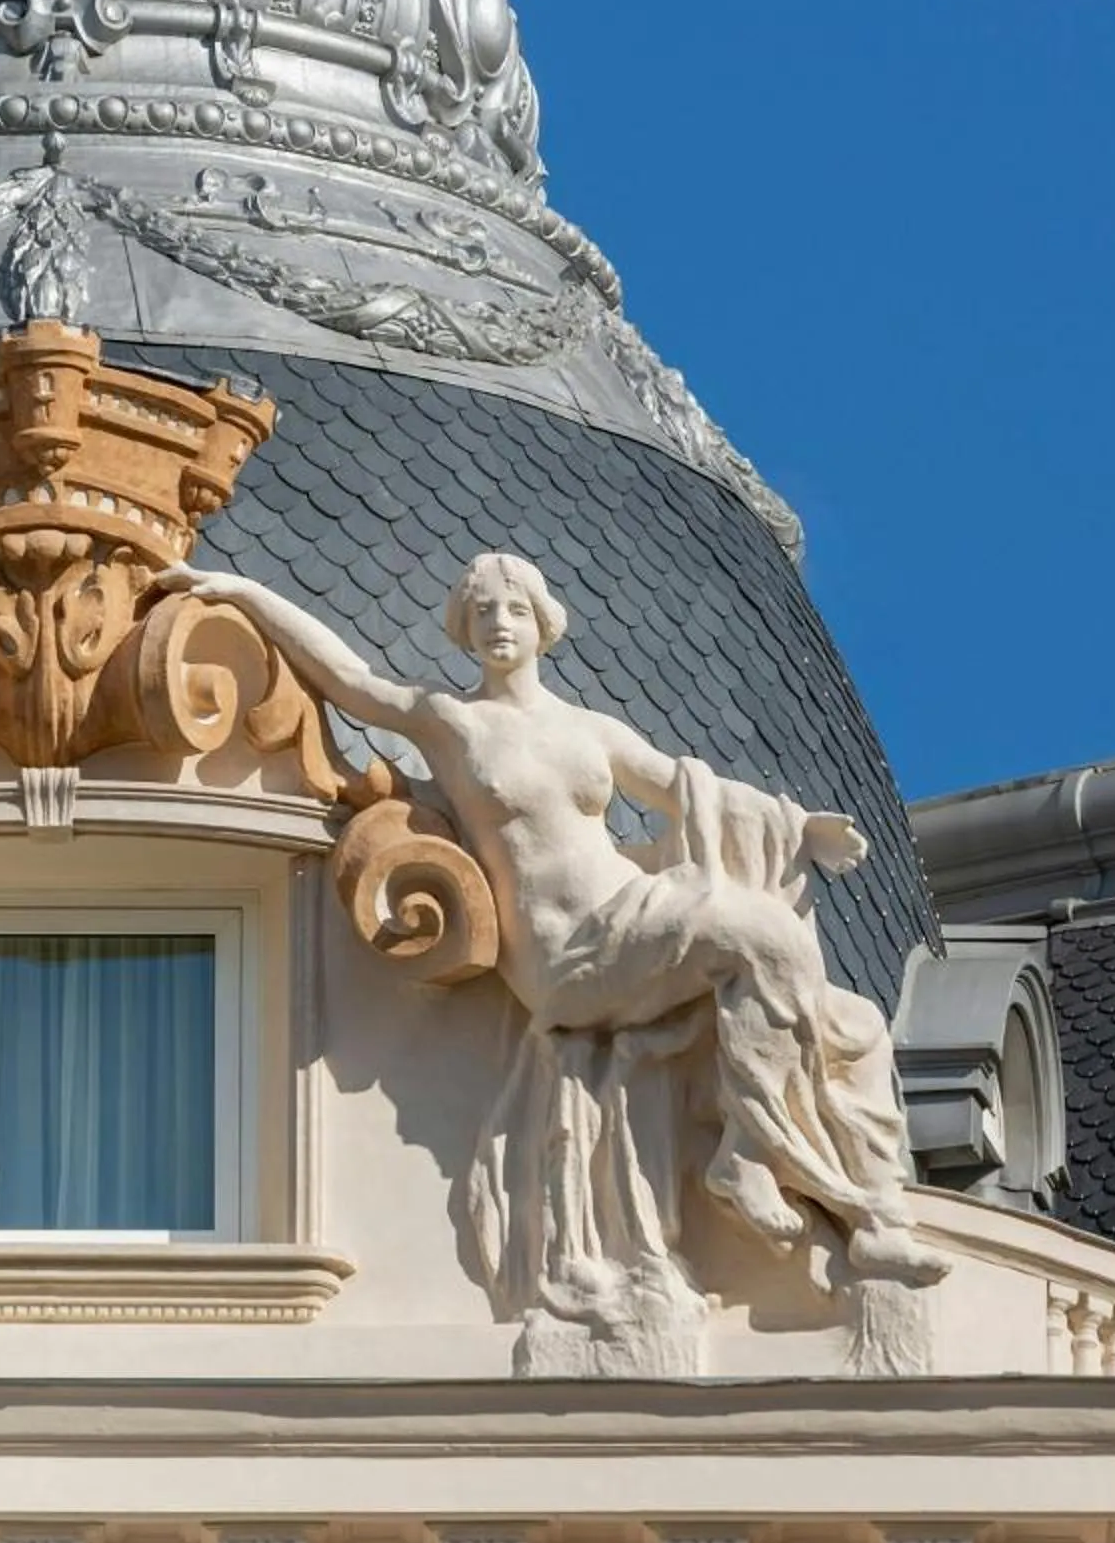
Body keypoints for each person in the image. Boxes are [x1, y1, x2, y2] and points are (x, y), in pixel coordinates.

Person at [159, 551, 943, 1325]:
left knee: (857, 1028)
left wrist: (799, 826)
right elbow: (351, 680)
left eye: (515, 609)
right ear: (464, 628)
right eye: (484, 610)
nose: (500, 623)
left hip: (634, 910)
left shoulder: (587, 730)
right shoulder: (450, 721)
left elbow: (684, 789)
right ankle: (751, 1160)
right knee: (761, 936)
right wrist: (243, 588)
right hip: (564, 954)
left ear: (543, 625)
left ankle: (863, 1211)